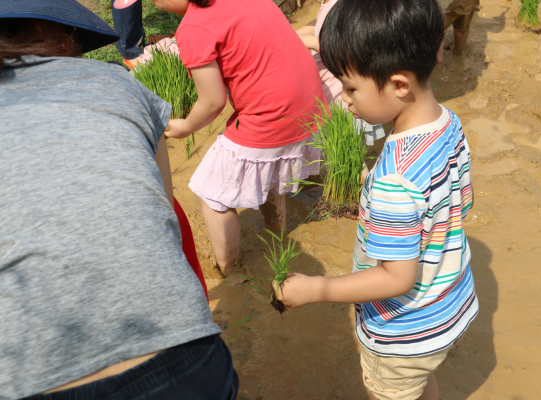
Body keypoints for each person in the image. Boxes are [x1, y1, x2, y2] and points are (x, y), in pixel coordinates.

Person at [0, 1, 237, 398]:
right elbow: (166, 209)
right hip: (183, 358)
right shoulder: (120, 84)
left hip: (32, 379)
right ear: (47, 27)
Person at [273, 0, 479, 399]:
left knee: (392, 390)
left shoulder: (394, 179)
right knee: (417, 384)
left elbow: (395, 278)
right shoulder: (447, 123)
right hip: (450, 303)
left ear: (399, 84)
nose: (345, 99)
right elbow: (461, 204)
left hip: (404, 331)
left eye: (351, 88)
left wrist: (315, 289)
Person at [152, 0, 326, 270]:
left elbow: (212, 102)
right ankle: (276, 235)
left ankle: (229, 269)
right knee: (268, 169)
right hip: (310, 107)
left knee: (211, 192)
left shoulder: (195, 26)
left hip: (272, 116)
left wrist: (185, 127)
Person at [295, 0, 385, 183]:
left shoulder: (340, 7)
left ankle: (371, 200)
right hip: (339, 95)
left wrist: (313, 42)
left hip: (340, 100)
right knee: (346, 156)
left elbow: (347, 50)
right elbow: (318, 24)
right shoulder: (329, 5)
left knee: (352, 161)